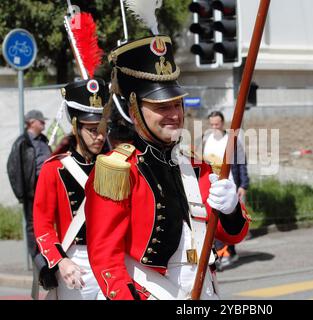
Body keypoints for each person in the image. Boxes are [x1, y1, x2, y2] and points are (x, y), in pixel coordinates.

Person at [84, 35, 250, 300]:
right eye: (162, 106)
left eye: (177, 104)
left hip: (205, 289)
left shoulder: (197, 165)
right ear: (135, 109)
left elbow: (232, 235)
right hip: (149, 292)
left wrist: (231, 211)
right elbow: (106, 257)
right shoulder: (118, 170)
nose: (174, 114)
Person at [33, 79, 108, 299]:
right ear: (75, 126)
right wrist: (60, 260)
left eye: (103, 128)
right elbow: (43, 223)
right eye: (93, 130)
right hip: (75, 261)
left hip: (111, 259)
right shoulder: (54, 169)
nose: (100, 136)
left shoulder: (115, 165)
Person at [203, 111, 250, 269]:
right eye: (212, 125)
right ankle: (219, 253)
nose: (215, 127)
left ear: (222, 123)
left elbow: (242, 163)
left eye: (217, 124)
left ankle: (231, 251)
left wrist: (243, 185)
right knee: (214, 222)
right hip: (213, 189)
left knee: (231, 220)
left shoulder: (232, 141)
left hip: (231, 187)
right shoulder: (206, 140)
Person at [7, 110, 51, 260]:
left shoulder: (44, 140)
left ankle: (49, 252)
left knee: (48, 219)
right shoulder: (22, 142)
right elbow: (13, 169)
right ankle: (37, 257)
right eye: (41, 121)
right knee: (32, 223)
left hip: (47, 184)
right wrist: (21, 193)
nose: (44, 123)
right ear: (32, 122)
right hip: (32, 188)